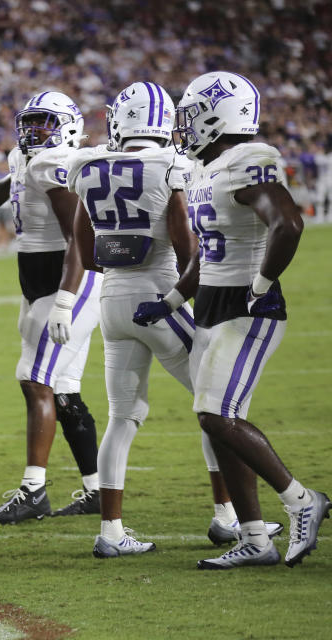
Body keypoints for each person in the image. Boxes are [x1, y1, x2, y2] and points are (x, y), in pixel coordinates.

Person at [57, 81, 279, 557]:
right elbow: (187, 247)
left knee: (123, 417)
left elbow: (85, 248)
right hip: (158, 299)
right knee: (217, 408)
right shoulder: (174, 166)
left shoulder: (89, 165)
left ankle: (111, 533)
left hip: (111, 303)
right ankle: (230, 518)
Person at [135, 71, 330, 569]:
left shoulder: (250, 160)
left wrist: (261, 286)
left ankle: (301, 500)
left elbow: (288, 224)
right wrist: (173, 301)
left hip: (248, 307)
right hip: (214, 306)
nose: (184, 125)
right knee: (219, 423)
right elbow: (207, 255)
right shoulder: (212, 167)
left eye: (192, 115)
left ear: (218, 116)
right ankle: (255, 539)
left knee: (215, 414)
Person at [0, 91, 103, 524]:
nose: (35, 132)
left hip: (68, 277)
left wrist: (65, 301)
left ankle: (33, 490)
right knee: (64, 388)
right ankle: (95, 490)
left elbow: (80, 238)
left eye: (45, 123)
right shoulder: (25, 158)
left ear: (68, 126)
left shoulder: (55, 163)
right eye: (31, 122)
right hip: (37, 280)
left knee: (35, 380)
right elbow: (11, 186)